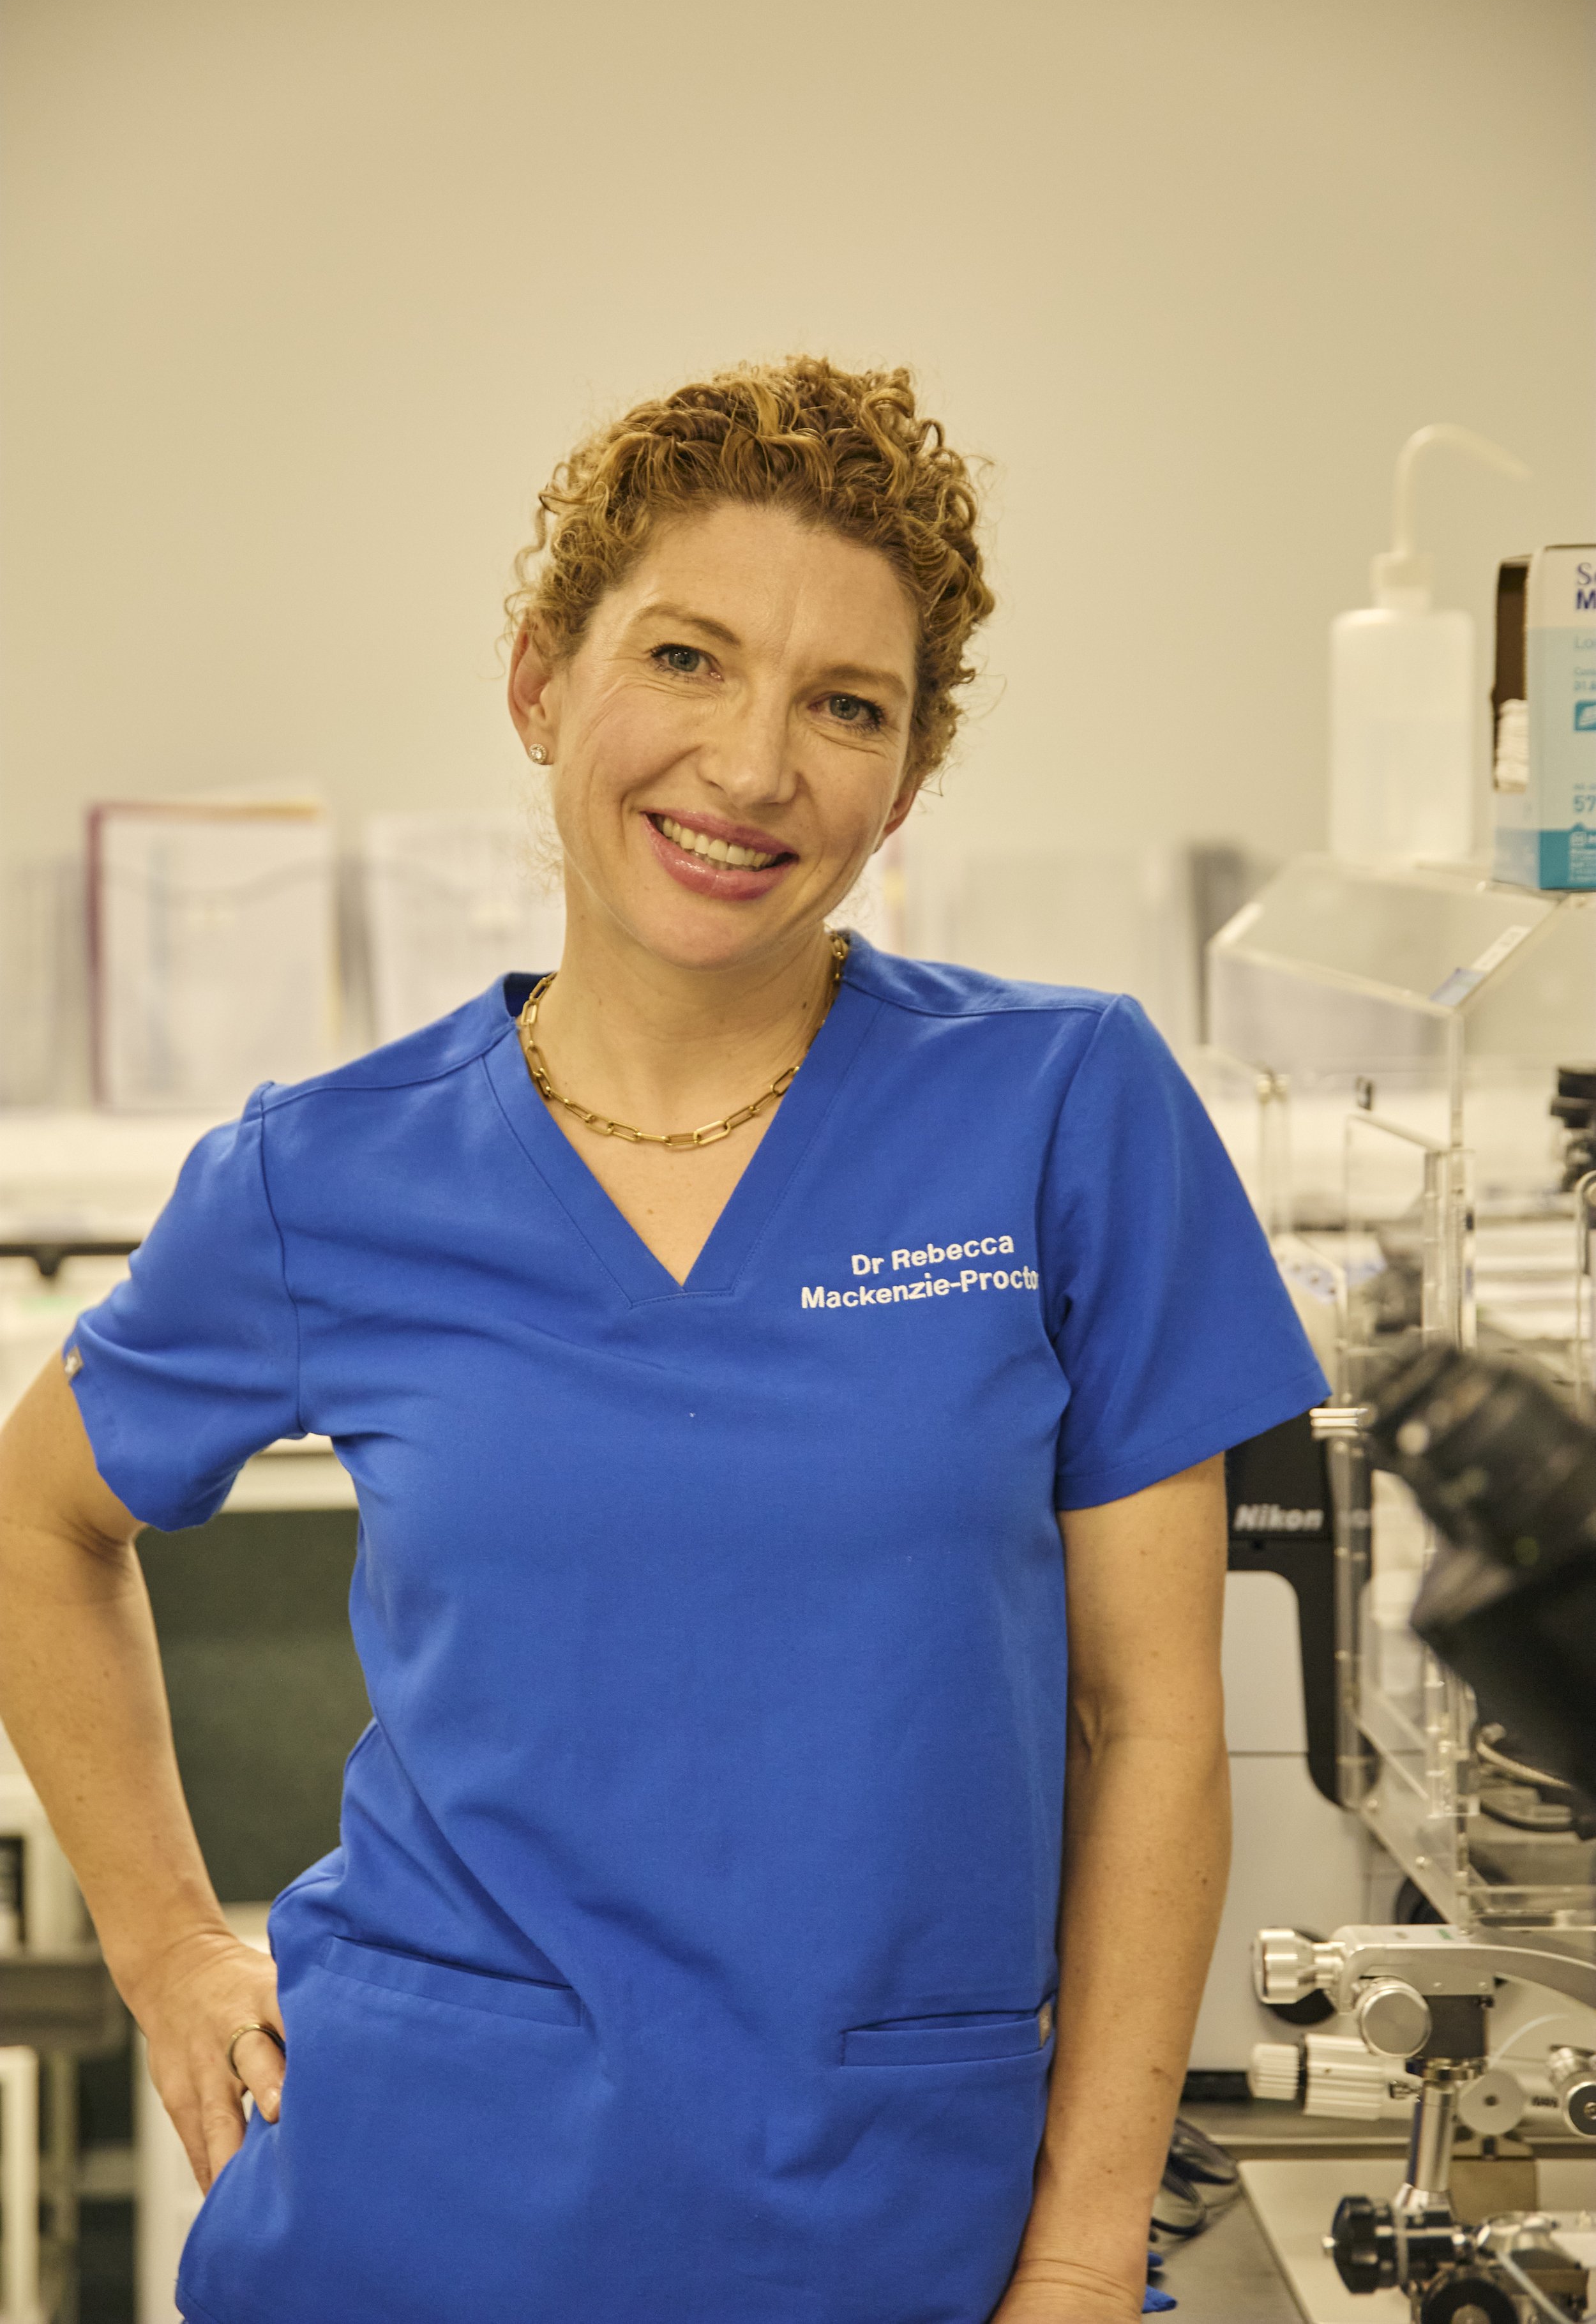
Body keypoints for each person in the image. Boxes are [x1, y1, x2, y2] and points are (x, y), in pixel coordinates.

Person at [0, 358, 1327, 2324]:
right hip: (408, 2211)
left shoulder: (1061, 1112)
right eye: (687, 659)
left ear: (908, 771)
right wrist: (169, 1948)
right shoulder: (326, 1172)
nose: (751, 766)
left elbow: (1153, 1729)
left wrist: (1070, 2251)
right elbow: (36, 1524)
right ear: (541, 682)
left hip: (905, 2224)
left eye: (844, 706)